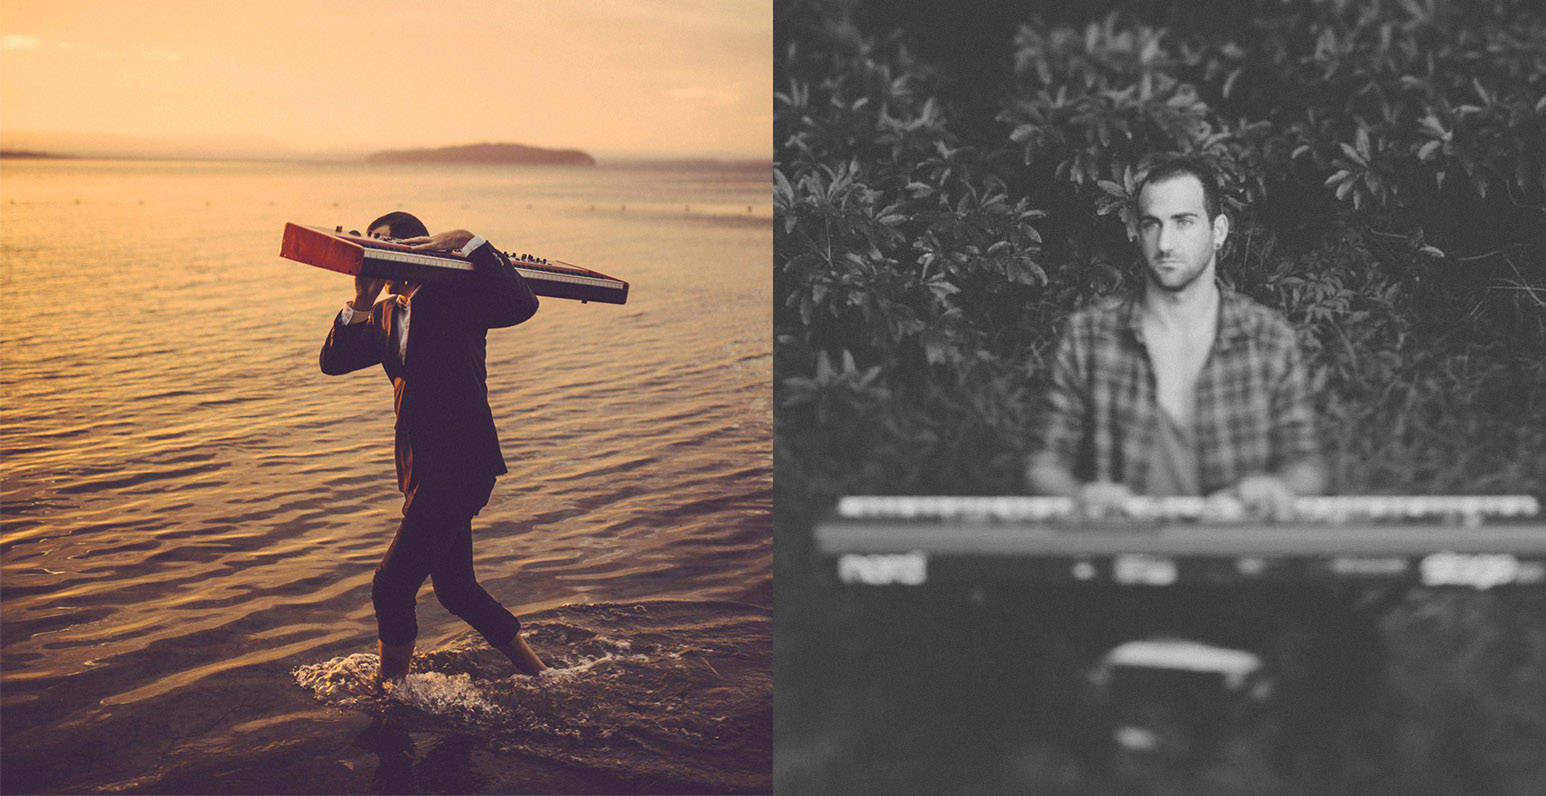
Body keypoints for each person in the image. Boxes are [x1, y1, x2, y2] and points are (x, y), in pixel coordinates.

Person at [1026, 155, 1326, 515]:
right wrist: (1081, 496)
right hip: (1124, 542)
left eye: (1183, 222)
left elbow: (1307, 467)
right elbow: (1043, 465)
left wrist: (1273, 488)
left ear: (1218, 231)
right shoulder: (1089, 337)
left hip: (1231, 544)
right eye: (1152, 224)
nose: (1165, 243)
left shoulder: (1268, 340)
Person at [320, 211, 548, 685]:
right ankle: (543, 675)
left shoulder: (454, 297)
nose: (373, 253)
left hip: (461, 466)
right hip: (420, 469)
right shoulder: (385, 312)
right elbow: (334, 362)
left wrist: (470, 241)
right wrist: (361, 300)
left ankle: (392, 693)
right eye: (370, 245)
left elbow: (522, 304)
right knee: (457, 590)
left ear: (412, 250)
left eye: (384, 244)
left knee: (391, 586)